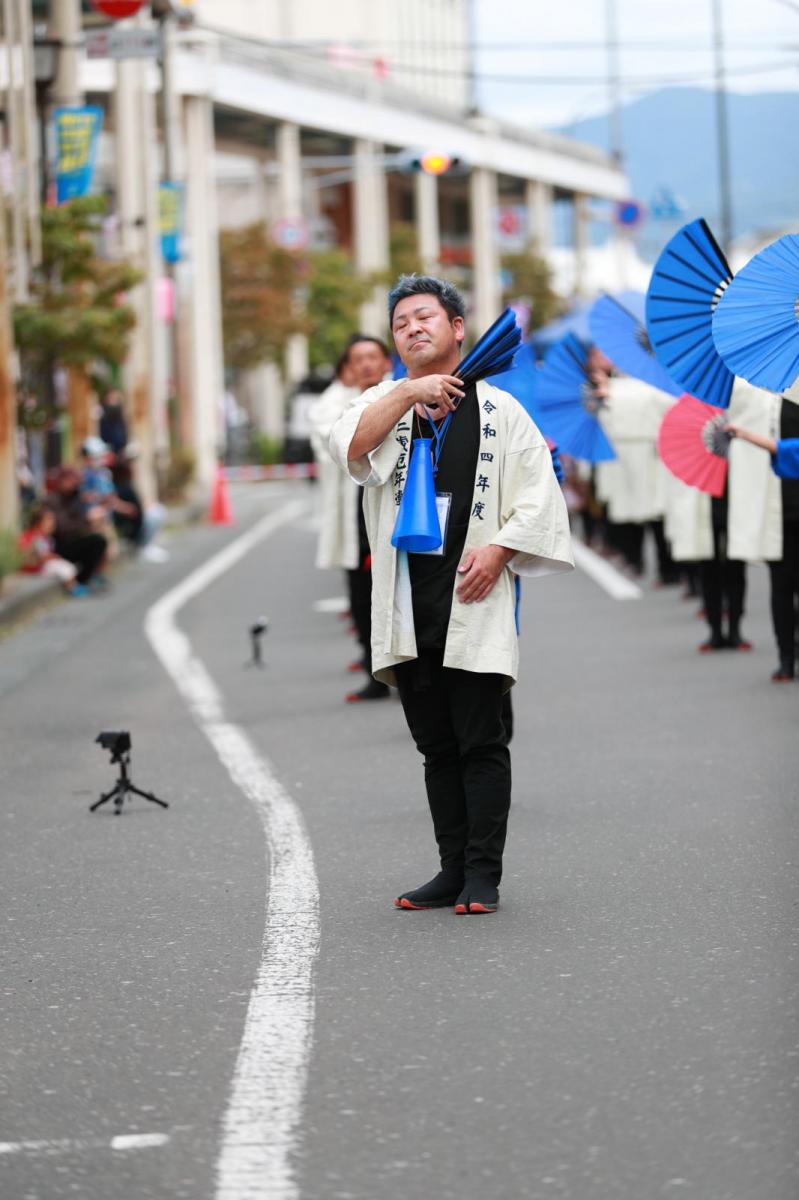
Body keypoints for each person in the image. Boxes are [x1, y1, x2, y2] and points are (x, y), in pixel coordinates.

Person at [330, 275, 573, 915]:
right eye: (402, 321)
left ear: (457, 328)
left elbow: (540, 499)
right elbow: (351, 449)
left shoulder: (499, 410)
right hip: (409, 599)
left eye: (426, 317)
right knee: (435, 746)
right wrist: (410, 391)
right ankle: (449, 868)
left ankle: (482, 876)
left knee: (480, 740)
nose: (413, 327)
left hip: (473, 593)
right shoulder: (385, 403)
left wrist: (499, 551)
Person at [728, 398, 799, 680]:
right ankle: (786, 656)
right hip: (775, 510)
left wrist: (755, 439)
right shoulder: (756, 396)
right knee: (781, 585)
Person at [46, 466, 108, 589]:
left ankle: (90, 576)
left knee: (100, 540)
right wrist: (87, 519)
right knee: (97, 541)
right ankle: (83, 579)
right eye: (70, 480)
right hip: (61, 544)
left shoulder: (76, 497)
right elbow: (62, 527)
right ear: (61, 480)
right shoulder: (53, 500)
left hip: (76, 539)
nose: (73, 484)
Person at [18, 505, 85, 595]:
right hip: (35, 568)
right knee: (65, 568)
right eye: (49, 520)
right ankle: (72, 587)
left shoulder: (47, 538)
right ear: (38, 522)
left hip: (40, 565)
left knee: (65, 566)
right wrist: (52, 557)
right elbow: (37, 556)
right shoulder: (35, 537)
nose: (53, 523)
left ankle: (74, 585)